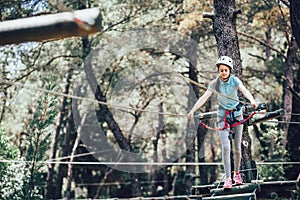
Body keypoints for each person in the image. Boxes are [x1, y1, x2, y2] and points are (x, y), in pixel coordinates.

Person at [187, 56, 258, 189]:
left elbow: (245, 90)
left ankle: (237, 174)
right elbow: (204, 97)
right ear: (218, 70)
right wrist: (193, 110)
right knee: (226, 147)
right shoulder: (214, 84)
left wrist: (252, 100)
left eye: (226, 70)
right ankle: (228, 178)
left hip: (237, 115)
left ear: (229, 70)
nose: (223, 72)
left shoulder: (235, 81)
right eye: (221, 70)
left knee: (237, 148)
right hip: (223, 116)